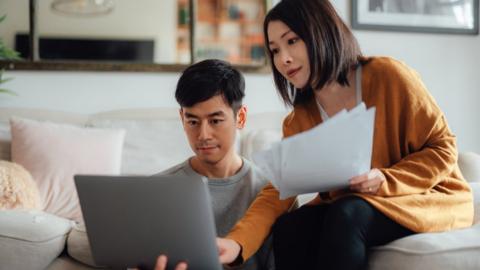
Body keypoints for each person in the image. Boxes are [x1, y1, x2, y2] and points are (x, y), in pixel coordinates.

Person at [213, 0, 474, 270]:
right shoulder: (299, 119)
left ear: (321, 32)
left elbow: (444, 148)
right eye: (275, 50)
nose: (283, 59)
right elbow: (280, 191)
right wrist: (237, 242)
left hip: (427, 197)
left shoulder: (389, 76)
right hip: (359, 205)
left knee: (347, 213)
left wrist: (386, 179)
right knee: (291, 227)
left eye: (292, 41)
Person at [151, 59, 274, 270]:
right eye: (193, 121)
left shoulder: (270, 192)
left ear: (240, 117)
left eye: (215, 121)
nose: (203, 135)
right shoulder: (156, 189)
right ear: (182, 119)